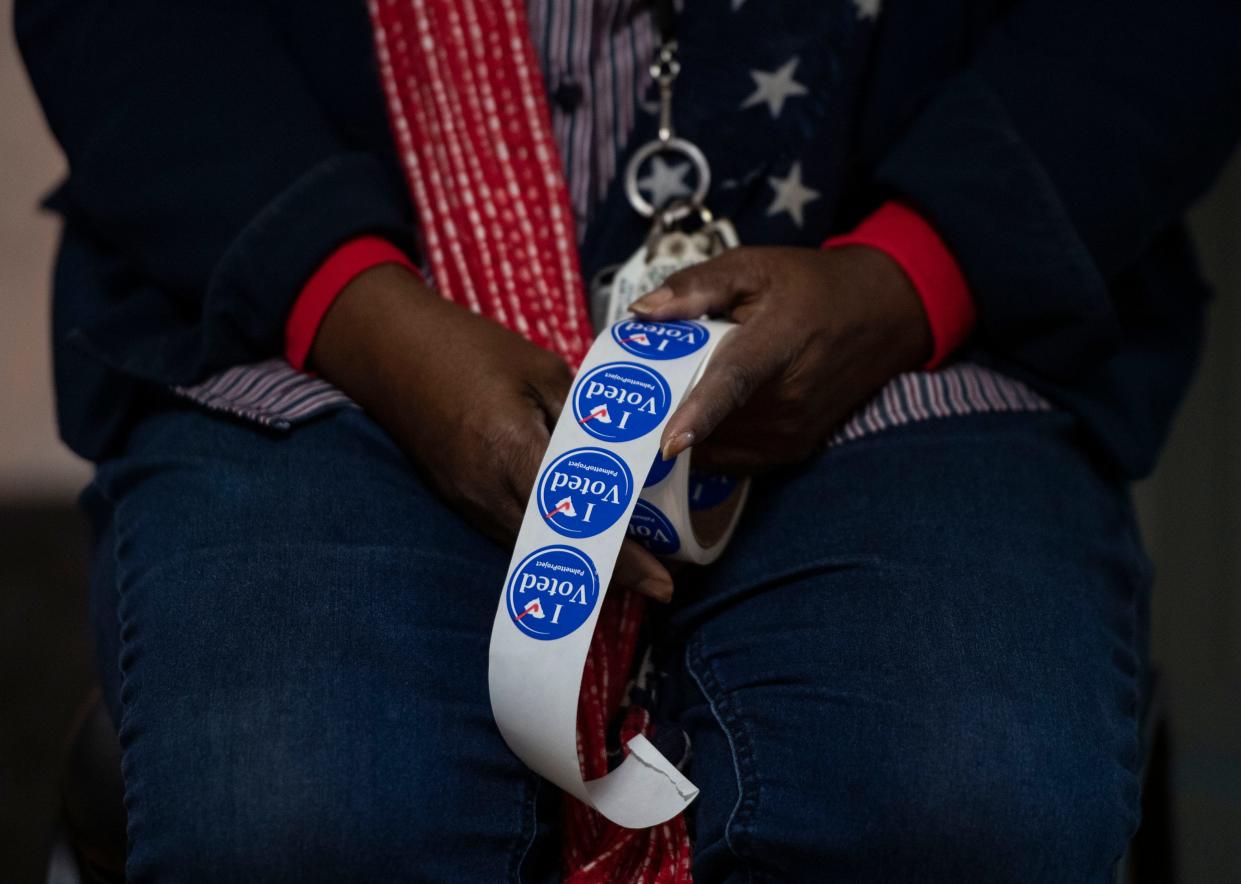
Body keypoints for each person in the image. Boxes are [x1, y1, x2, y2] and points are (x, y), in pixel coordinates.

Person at [15, 0, 1241, 881]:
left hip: (903, 311)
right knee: (300, 813)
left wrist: (900, 279)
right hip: (334, 322)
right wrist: (360, 315)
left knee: (962, 800)